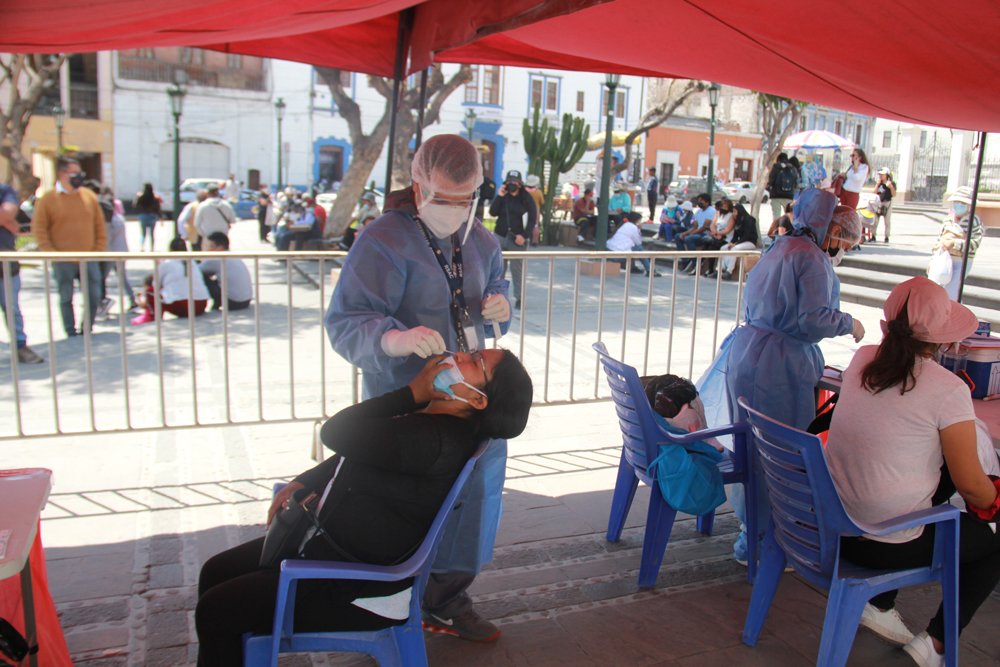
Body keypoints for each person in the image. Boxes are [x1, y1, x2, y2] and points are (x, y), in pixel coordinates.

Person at [194, 350, 533, 666]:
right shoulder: (439, 425)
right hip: (328, 549)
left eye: (474, 361)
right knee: (215, 571)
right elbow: (356, 450)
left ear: (476, 399)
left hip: (353, 587)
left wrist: (412, 392)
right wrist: (308, 480)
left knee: (216, 610)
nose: (458, 356)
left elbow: (337, 432)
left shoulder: (433, 440)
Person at [325, 134, 514, 642]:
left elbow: (499, 284)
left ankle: (449, 599)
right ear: (418, 185)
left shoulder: (483, 240)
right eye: (443, 200)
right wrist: (392, 338)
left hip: (472, 402)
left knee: (473, 502)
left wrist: (501, 302)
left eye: (465, 200)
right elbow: (346, 321)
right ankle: (386, 602)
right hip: (409, 402)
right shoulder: (383, 241)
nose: (454, 211)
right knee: (402, 508)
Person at [825, 276, 1000, 666]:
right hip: (883, 544)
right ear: (941, 340)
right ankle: (934, 645)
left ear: (889, 325)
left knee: (930, 476)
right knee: (992, 545)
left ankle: (881, 603)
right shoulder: (947, 388)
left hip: (833, 527)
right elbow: (974, 487)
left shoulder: (861, 359)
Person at [724, 189, 866, 566]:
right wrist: (849, 323)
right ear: (831, 229)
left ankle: (751, 534)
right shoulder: (813, 259)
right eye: (843, 240)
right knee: (780, 455)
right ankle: (771, 539)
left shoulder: (781, 246)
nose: (842, 249)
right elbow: (812, 318)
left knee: (752, 447)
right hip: (778, 367)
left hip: (748, 353)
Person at [31, 156, 107, 338]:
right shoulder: (48, 199)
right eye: (73, 173)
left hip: (88, 258)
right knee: (66, 297)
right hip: (62, 260)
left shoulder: (88, 196)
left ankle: (86, 328)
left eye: (79, 173)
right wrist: (51, 253)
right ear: (62, 174)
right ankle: (70, 331)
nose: (78, 177)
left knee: (94, 295)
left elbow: (99, 225)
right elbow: (40, 229)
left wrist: (97, 250)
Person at [0, 182, 43, 364]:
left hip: (6, 266)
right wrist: (7, 222)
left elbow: (8, 213)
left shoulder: (4, 190)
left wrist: (8, 219)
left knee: (12, 308)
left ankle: (20, 346)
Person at [85, 181, 136, 318]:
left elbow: (107, 236)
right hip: (115, 251)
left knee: (100, 279)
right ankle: (126, 301)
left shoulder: (107, 215)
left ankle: (103, 303)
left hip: (109, 252)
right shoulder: (116, 216)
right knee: (116, 278)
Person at [132, 237, 210, 324]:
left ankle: (153, 316)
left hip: (184, 306)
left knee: (151, 291)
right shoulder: (192, 262)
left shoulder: (167, 263)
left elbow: (155, 285)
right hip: (201, 305)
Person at [489, 169, 536, 310]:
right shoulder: (504, 197)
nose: (512, 184)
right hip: (501, 236)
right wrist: (499, 196)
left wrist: (525, 235)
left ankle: (519, 298)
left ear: (520, 184)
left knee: (517, 270)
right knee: (498, 270)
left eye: (515, 182)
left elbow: (532, 219)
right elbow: (492, 212)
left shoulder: (526, 198)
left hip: (518, 239)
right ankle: (498, 297)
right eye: (509, 182)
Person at [930, 185, 982, 301]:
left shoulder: (974, 221)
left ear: (969, 206)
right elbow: (940, 238)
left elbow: (975, 243)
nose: (958, 205)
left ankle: (954, 315)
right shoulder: (948, 219)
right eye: (957, 202)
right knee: (938, 289)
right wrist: (933, 258)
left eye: (962, 203)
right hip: (944, 257)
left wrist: (955, 243)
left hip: (962, 260)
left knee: (952, 292)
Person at [199, 232, 253, 312]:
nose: (208, 250)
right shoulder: (233, 256)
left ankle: (200, 305)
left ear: (220, 247)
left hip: (233, 302)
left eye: (211, 246)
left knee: (201, 276)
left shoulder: (217, 258)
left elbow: (195, 270)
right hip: (246, 301)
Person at [607, 211, 660, 277]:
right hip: (618, 253)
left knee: (633, 247)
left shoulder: (624, 224)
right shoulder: (633, 227)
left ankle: (634, 267)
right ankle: (650, 270)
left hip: (611, 249)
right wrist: (639, 230)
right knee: (639, 249)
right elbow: (638, 242)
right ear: (637, 220)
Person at [717, 204, 759, 281]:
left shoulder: (749, 220)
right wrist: (731, 243)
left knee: (734, 249)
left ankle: (729, 271)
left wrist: (735, 244)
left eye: (735, 211)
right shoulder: (738, 221)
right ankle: (720, 269)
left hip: (750, 242)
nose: (733, 213)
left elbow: (747, 235)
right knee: (723, 248)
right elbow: (735, 236)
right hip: (740, 242)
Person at [695, 198, 736, 277]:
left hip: (726, 238)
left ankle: (707, 269)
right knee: (707, 245)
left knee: (710, 246)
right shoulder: (717, 213)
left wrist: (718, 233)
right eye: (722, 206)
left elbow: (728, 229)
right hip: (716, 236)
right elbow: (712, 224)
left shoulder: (731, 216)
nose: (723, 208)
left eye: (725, 207)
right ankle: (701, 266)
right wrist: (714, 233)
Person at [675, 193, 715, 272]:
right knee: (678, 236)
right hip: (697, 232)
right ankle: (685, 260)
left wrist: (691, 234)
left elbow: (703, 228)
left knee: (689, 239)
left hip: (705, 234)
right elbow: (695, 226)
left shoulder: (711, 211)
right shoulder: (698, 211)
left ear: (707, 202)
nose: (699, 202)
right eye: (698, 200)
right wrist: (685, 233)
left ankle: (695, 263)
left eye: (701, 201)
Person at [766, 152, 799, 221]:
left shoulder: (776, 166)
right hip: (789, 195)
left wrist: (769, 188)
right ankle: (789, 230)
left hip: (776, 195)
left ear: (779, 159)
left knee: (776, 216)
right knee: (789, 215)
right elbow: (796, 183)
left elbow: (771, 180)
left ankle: (776, 230)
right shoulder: (793, 168)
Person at [134, 183, 162, 252]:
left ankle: (142, 247)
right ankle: (152, 248)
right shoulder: (155, 198)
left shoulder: (141, 197)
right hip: (152, 216)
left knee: (143, 233)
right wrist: (160, 217)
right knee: (152, 234)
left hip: (143, 216)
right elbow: (158, 208)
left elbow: (135, 205)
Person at [874, 167, 896, 243]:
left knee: (887, 221)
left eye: (882, 174)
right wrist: (877, 185)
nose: (880, 176)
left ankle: (886, 237)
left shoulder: (891, 183)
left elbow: (894, 194)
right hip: (878, 202)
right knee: (875, 220)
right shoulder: (879, 183)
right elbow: (874, 193)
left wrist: (891, 187)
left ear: (886, 175)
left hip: (887, 203)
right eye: (880, 174)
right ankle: (873, 236)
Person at [524, 175, 545, 244]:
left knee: (524, 224)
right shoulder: (538, 192)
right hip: (536, 209)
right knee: (535, 225)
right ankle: (535, 241)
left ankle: (524, 238)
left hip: (525, 209)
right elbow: (542, 202)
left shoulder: (524, 191)